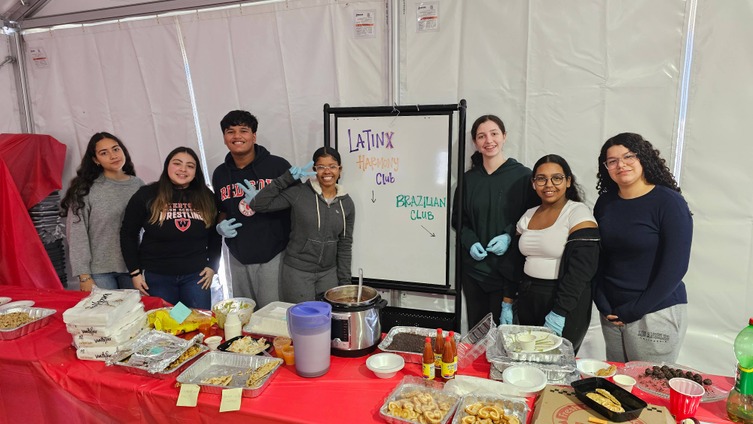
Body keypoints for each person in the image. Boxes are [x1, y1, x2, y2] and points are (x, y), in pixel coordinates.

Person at [593, 132, 693, 363]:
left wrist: (637, 308)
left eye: (628, 156)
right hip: (612, 312)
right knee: (616, 386)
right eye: (612, 161)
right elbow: (601, 255)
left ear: (643, 158)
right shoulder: (605, 203)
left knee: (648, 388)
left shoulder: (668, 203)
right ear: (606, 167)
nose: (621, 165)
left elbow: (675, 267)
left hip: (654, 311)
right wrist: (601, 299)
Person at [452, 114, 538, 330]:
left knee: (503, 337)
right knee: (476, 332)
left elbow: (532, 218)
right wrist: (470, 241)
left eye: (494, 134)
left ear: (504, 136)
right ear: (475, 142)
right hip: (473, 272)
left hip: (507, 273)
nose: (488, 140)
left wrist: (509, 235)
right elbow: (458, 220)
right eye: (481, 136)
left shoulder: (522, 177)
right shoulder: (467, 180)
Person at [515, 154, 599, 353]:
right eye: (541, 179)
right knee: (527, 361)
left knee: (557, 366)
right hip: (528, 298)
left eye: (557, 178)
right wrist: (509, 300)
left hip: (564, 301)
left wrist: (560, 312)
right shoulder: (528, 214)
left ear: (568, 181)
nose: (548, 184)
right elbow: (514, 261)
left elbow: (582, 269)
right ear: (534, 183)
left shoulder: (578, 213)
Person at [249, 146, 355, 303]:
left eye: (332, 166)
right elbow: (258, 205)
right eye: (321, 167)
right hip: (298, 272)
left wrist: (345, 284)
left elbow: (345, 245)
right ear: (314, 169)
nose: (327, 172)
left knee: (328, 321)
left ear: (340, 169)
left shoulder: (346, 203)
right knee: (301, 322)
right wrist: (286, 179)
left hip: (328, 274)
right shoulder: (299, 193)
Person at [120, 147, 221, 309]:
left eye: (190, 165)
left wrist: (213, 266)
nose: (183, 169)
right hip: (158, 277)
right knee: (167, 327)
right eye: (177, 163)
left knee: (198, 324)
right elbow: (128, 234)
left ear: (196, 171)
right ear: (167, 166)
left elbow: (215, 234)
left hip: (196, 277)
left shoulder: (207, 196)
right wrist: (135, 272)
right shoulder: (147, 194)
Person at [212, 110, 292, 308]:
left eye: (243, 131)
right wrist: (220, 225)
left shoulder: (278, 166)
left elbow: (295, 204)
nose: (237, 136)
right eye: (230, 131)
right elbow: (221, 209)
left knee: (274, 315)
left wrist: (265, 201)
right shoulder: (220, 174)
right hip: (238, 255)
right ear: (224, 138)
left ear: (254, 136)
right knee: (245, 315)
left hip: (274, 254)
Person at [60, 132, 144, 292]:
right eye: (104, 153)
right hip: (99, 272)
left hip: (133, 269)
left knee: (135, 315)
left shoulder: (138, 185)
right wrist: (83, 275)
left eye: (116, 149)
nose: (113, 156)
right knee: (106, 316)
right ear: (95, 160)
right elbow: (77, 234)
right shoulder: (85, 189)